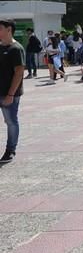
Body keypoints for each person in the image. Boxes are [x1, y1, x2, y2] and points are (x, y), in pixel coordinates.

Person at [0, 19, 25, 164]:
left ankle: (10, 150)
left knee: (10, 121)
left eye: (0, 28)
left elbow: (19, 73)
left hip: (9, 93)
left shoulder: (16, 48)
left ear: (9, 30)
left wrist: (10, 94)